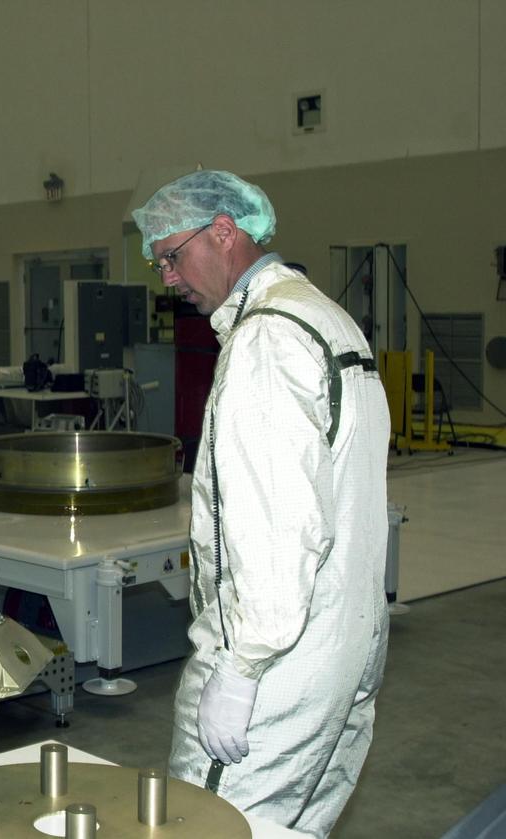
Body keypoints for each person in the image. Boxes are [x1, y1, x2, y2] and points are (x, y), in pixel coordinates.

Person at [132, 170, 390, 838]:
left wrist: (242, 670)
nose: (166, 277)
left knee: (207, 825)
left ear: (224, 232)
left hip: (277, 668)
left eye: (171, 256)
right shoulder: (326, 318)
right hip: (342, 642)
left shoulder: (266, 343)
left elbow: (282, 527)